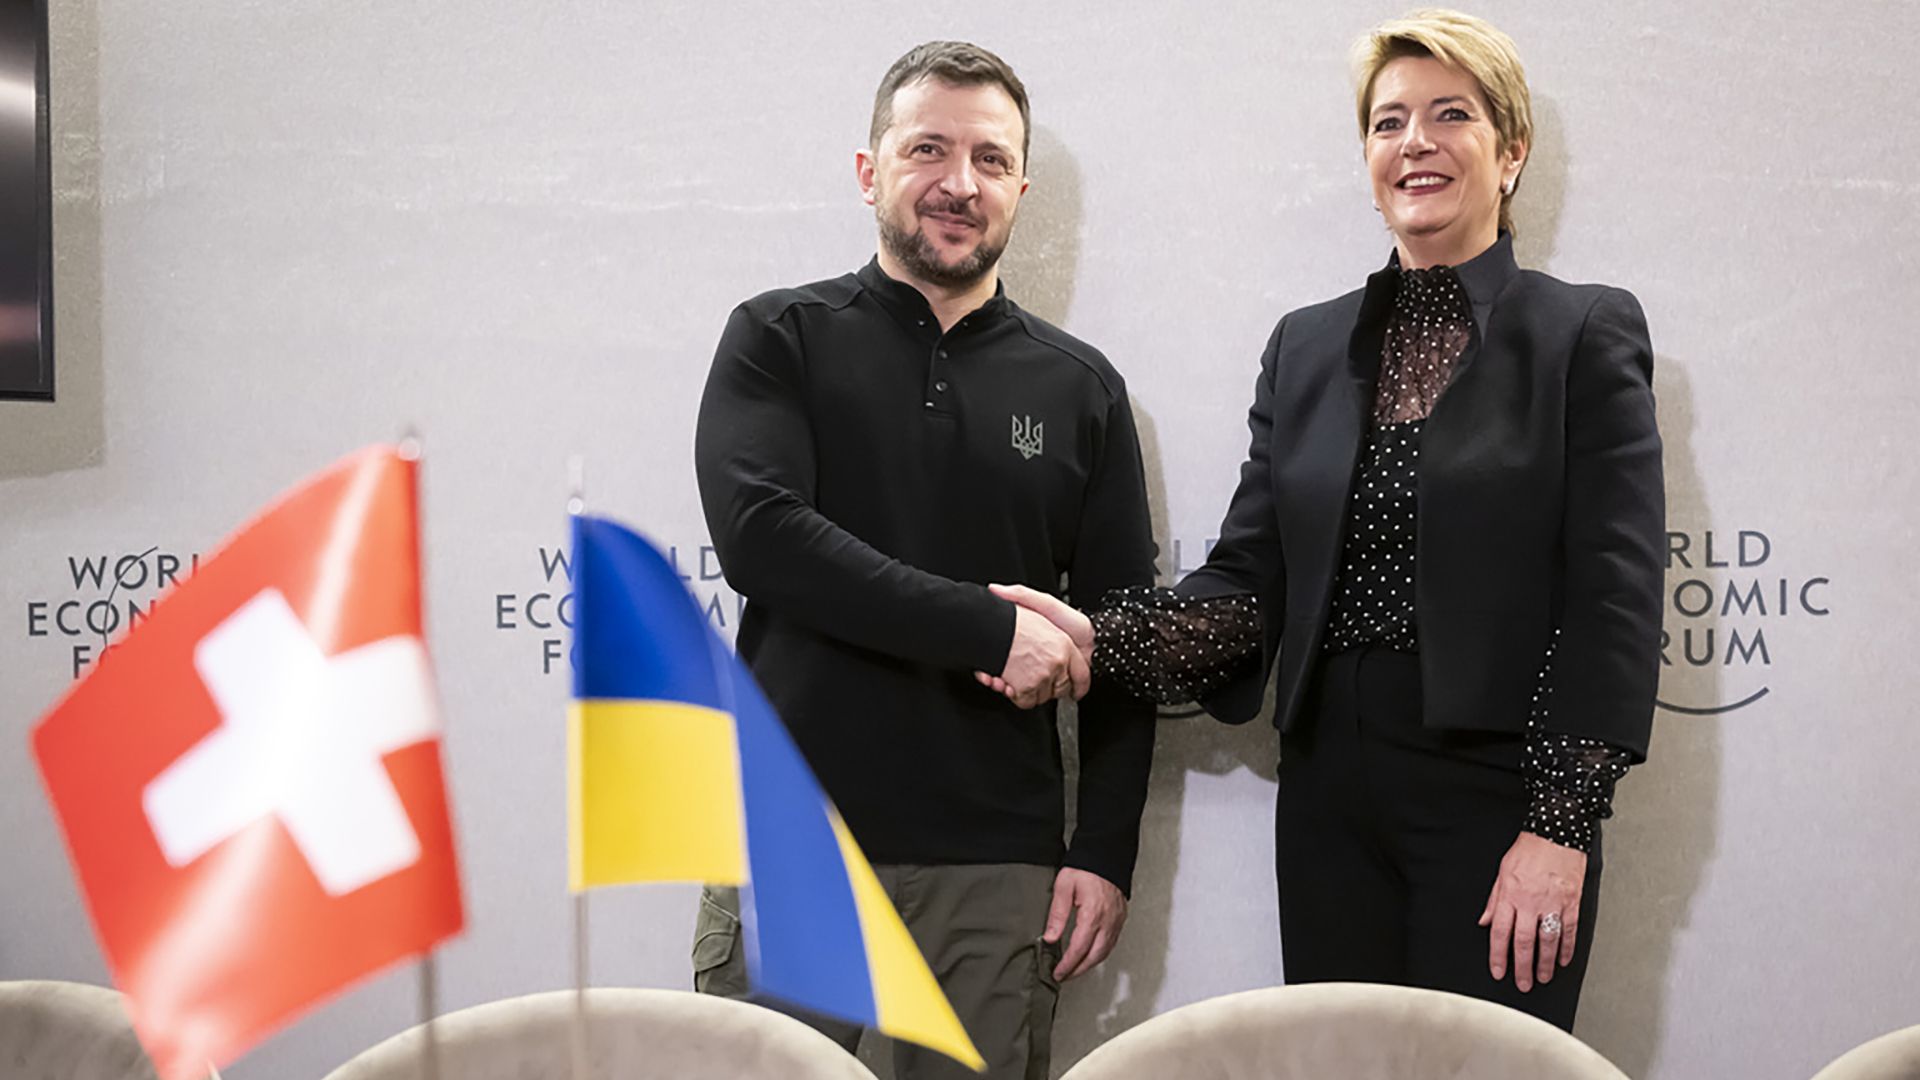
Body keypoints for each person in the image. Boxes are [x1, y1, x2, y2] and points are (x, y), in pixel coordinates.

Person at [985, 9, 1662, 1030]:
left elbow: (1614, 597)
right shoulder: (1304, 346)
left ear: (1510, 150)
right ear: (1367, 152)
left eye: (1451, 115)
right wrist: (1104, 638)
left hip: (1496, 795)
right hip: (1328, 798)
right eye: (1389, 122)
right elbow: (1251, 586)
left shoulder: (1582, 333)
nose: (1416, 143)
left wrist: (1560, 827)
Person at [692, 40, 1159, 1079]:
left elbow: (1118, 640)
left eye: (991, 160)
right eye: (928, 150)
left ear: (1022, 188)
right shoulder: (780, 336)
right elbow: (764, 540)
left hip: (994, 867)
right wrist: (992, 629)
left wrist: (1105, 850)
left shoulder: (1081, 387)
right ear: (871, 171)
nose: (960, 183)